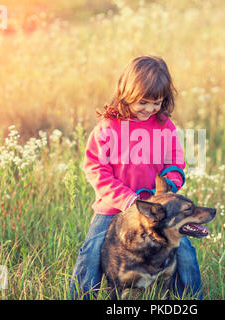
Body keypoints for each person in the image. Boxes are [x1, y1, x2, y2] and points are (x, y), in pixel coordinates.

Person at [69, 55, 202, 299]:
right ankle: (81, 295)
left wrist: (168, 185)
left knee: (184, 250)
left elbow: (175, 162)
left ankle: (190, 298)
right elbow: (96, 168)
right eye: (143, 102)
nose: (150, 109)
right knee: (91, 249)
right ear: (126, 92)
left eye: (157, 103)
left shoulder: (164, 126)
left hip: (157, 208)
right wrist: (127, 200)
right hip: (114, 206)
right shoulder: (109, 127)